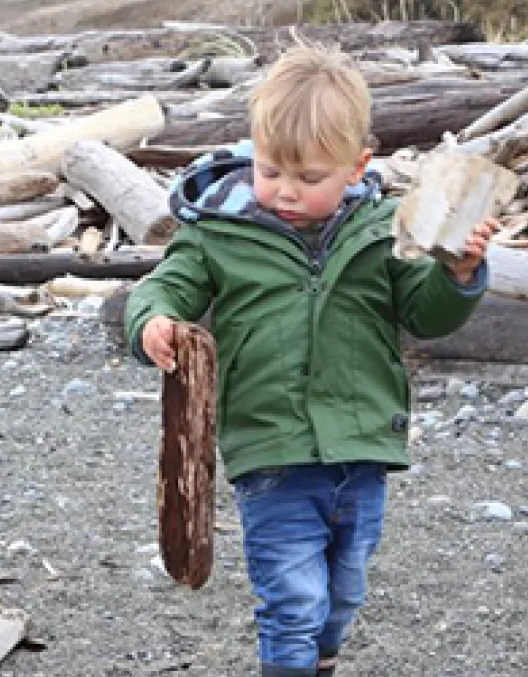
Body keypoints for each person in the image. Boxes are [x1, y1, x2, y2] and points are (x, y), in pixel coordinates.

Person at [123, 38, 498, 677]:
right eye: (271, 172)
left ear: (358, 166)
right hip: (270, 448)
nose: (286, 191)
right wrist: (153, 321)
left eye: (309, 178)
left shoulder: (386, 230)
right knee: (292, 599)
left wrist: (460, 273)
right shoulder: (218, 231)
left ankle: (319, 661)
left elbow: (425, 313)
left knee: (343, 593)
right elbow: (166, 284)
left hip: (363, 445)